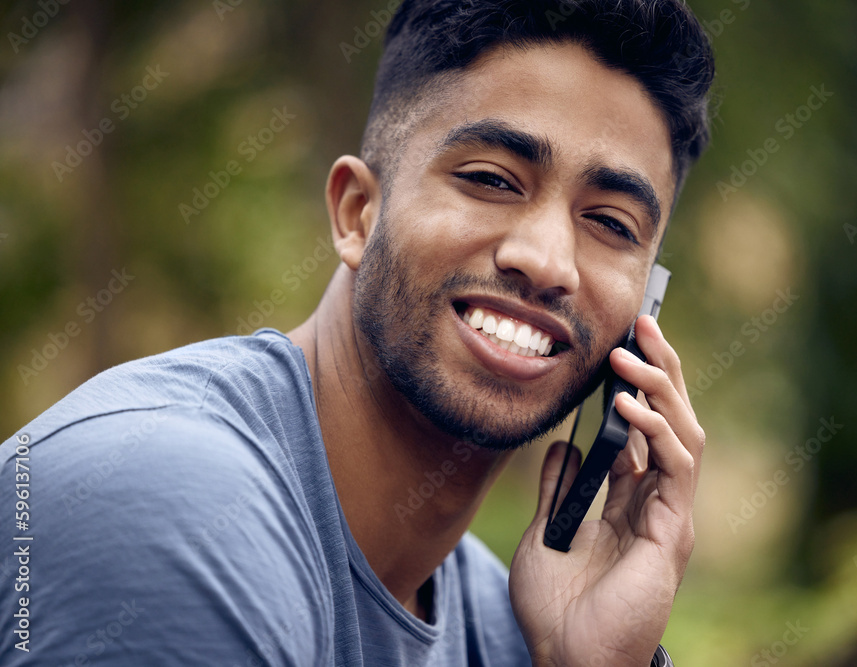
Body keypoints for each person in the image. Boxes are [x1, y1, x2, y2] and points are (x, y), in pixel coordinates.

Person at [0, 0, 714, 664]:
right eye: (493, 179)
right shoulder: (169, 513)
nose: (549, 262)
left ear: (644, 313)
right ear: (356, 212)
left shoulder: (517, 626)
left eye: (612, 224)